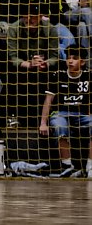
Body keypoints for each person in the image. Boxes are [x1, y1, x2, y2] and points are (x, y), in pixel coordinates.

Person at [39, 45, 92, 178]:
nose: (70, 61)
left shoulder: (89, 76)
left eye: (74, 58)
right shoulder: (58, 75)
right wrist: (43, 123)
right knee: (59, 126)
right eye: (68, 58)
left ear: (82, 62)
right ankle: (68, 166)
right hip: (61, 113)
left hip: (83, 114)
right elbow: (48, 101)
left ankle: (90, 167)